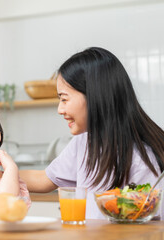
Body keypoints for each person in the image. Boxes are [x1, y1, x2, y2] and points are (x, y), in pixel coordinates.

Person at [20, 47, 164, 219]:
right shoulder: (85, 141)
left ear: (94, 97)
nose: (60, 109)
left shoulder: (142, 159)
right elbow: (44, 179)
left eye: (64, 99)